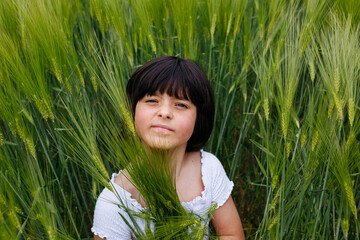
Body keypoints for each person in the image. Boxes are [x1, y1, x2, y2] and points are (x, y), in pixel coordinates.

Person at [91, 56, 245, 239]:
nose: (164, 112)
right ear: (131, 111)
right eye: (152, 101)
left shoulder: (208, 169)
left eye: (181, 104)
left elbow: (231, 234)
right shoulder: (115, 202)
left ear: (198, 119)